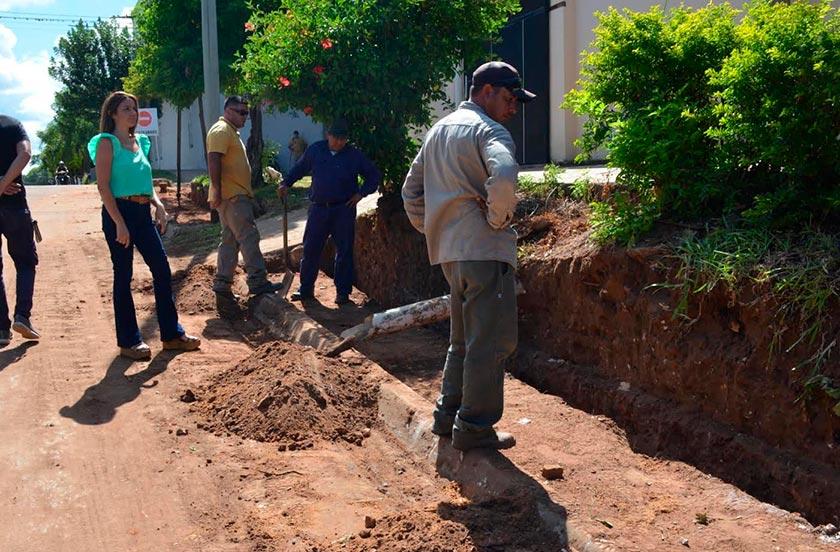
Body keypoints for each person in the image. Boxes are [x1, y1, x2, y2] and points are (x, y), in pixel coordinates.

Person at [401, 61, 535, 451]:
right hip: (482, 250)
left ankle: (447, 417)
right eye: (509, 99)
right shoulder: (489, 131)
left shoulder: (438, 130)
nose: (513, 109)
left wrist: (434, 227)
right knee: (490, 342)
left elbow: (411, 192)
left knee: (462, 339)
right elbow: (506, 174)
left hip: (449, 254)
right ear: (487, 90)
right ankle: (474, 428)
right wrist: (497, 218)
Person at [88, 91, 200, 360]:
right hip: (119, 211)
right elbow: (103, 186)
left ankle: (172, 335)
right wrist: (119, 224)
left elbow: (146, 181)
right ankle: (129, 341)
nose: (133, 113)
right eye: (126, 109)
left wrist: (158, 204)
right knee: (123, 276)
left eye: (135, 109)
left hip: (142, 212)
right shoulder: (107, 143)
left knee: (162, 269)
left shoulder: (142, 142)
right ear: (113, 113)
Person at [277, 118, 381, 305]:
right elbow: (300, 168)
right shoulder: (316, 150)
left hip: (343, 209)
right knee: (311, 249)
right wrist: (286, 183)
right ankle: (306, 288)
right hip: (318, 209)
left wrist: (361, 194)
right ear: (328, 135)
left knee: (344, 250)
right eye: (336, 138)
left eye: (343, 139)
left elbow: (373, 176)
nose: (339, 142)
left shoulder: (354, 155)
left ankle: (343, 292)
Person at [207, 96, 283, 306]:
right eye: (241, 112)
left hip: (232, 195)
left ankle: (222, 283)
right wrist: (217, 190)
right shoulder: (222, 130)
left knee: (230, 240)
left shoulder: (229, 131)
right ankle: (257, 281)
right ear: (228, 111)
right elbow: (213, 158)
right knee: (249, 237)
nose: (245, 117)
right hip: (232, 196)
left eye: (246, 113)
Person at [0, 114, 39, 347]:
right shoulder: (12, 124)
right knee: (25, 263)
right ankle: (22, 316)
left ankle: (2, 329)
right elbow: (25, 153)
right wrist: (4, 184)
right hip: (15, 207)